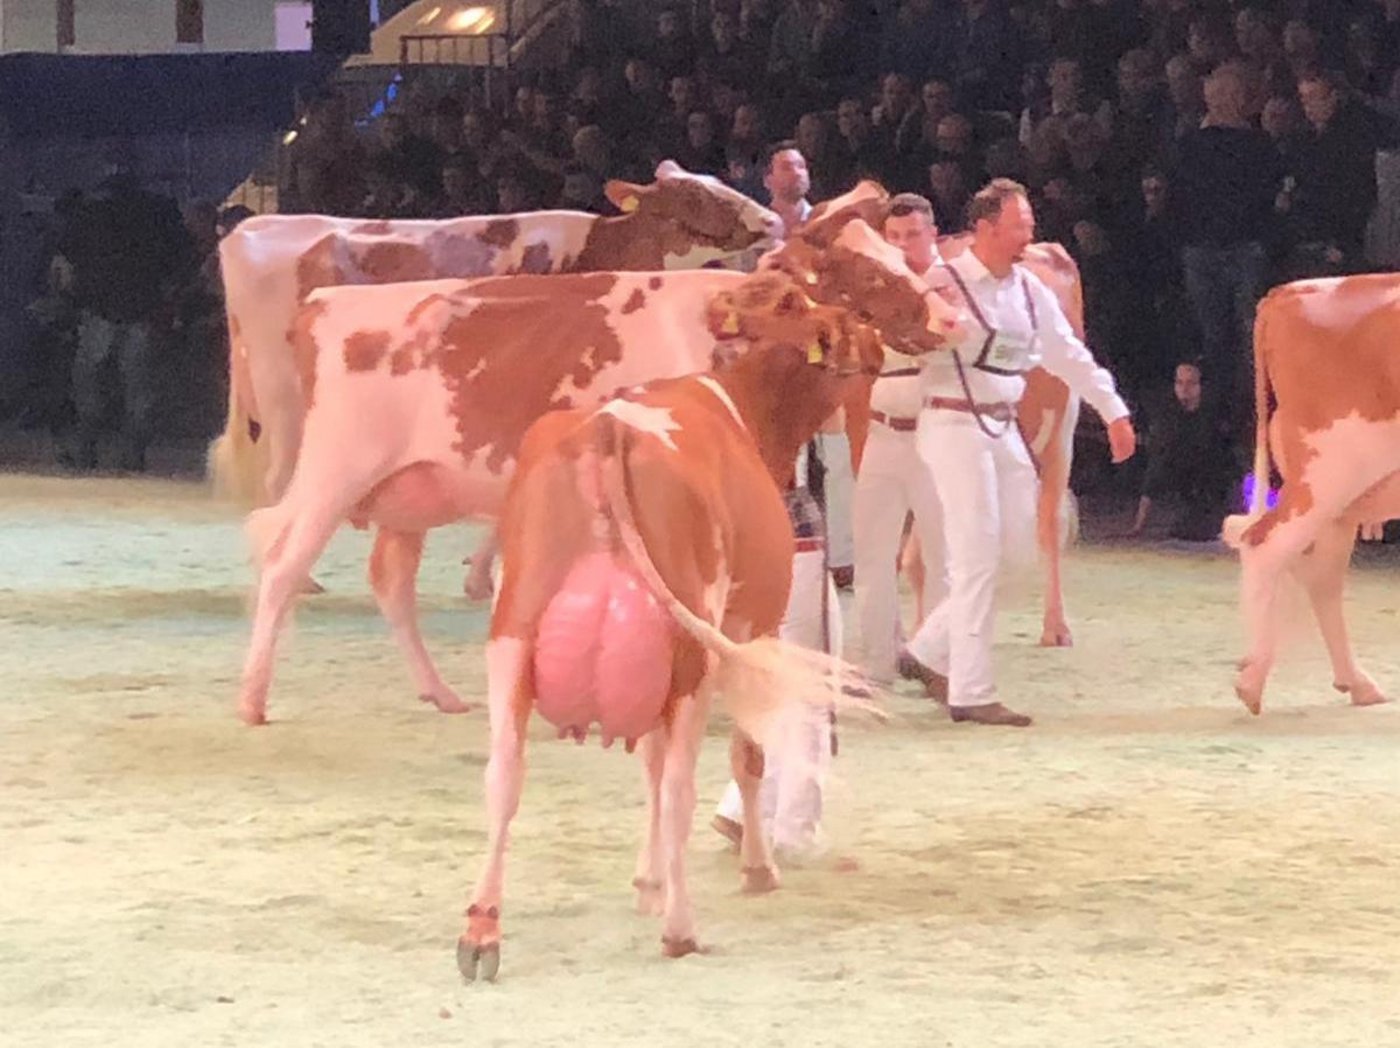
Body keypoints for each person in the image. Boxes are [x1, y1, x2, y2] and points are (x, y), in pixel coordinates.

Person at [900, 179, 1136, 727]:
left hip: (1002, 424)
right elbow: (899, 341)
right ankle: (971, 689)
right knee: (977, 553)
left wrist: (1113, 408)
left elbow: (1066, 352)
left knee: (1018, 551)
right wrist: (933, 329)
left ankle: (927, 648)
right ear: (985, 228)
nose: (1029, 234)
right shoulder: (941, 283)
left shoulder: (1029, 290)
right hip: (953, 420)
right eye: (1019, 225)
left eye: (1028, 224)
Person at [711, 438, 842, 860]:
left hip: (741, 537)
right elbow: (831, 422)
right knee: (812, 685)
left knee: (773, 677)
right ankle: (796, 829)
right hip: (788, 527)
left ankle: (746, 805)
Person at [852, 193, 948, 685]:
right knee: (871, 553)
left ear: (932, 233)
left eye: (913, 234)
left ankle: (937, 661)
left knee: (940, 555)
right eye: (895, 237)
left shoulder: (948, 285)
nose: (905, 245)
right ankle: (877, 664)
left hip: (936, 434)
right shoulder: (872, 291)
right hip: (882, 431)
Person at [764, 140, 856, 589]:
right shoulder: (754, 230)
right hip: (776, 359)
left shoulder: (828, 226)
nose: (796, 172)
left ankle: (842, 555)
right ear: (768, 180)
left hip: (827, 353)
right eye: (785, 166)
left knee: (836, 457)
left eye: (801, 164)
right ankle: (786, 549)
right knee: (786, 458)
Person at [1128, 362, 1239, 542]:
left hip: (1213, 485)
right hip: (1183, 484)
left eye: (1190, 383)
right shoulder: (1168, 417)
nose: (1184, 389)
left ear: (1200, 386)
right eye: (1179, 383)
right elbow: (1155, 470)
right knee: (1184, 529)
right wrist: (1138, 525)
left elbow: (1228, 462)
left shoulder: (1215, 416)